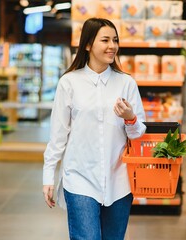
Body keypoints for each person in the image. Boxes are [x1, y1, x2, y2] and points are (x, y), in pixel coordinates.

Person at [42, 17, 146, 240]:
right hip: (79, 178)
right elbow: (58, 136)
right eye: (105, 40)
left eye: (115, 40)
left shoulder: (126, 83)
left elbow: (138, 133)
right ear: (88, 44)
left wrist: (130, 118)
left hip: (119, 180)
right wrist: (48, 176)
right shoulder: (69, 83)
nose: (112, 46)